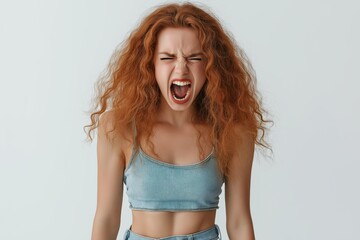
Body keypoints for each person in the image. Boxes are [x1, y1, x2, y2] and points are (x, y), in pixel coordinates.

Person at [84, 2, 273, 240]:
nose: (181, 68)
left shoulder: (233, 131)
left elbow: (239, 221)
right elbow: (106, 219)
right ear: (149, 64)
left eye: (195, 58)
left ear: (212, 66)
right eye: (167, 57)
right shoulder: (117, 126)